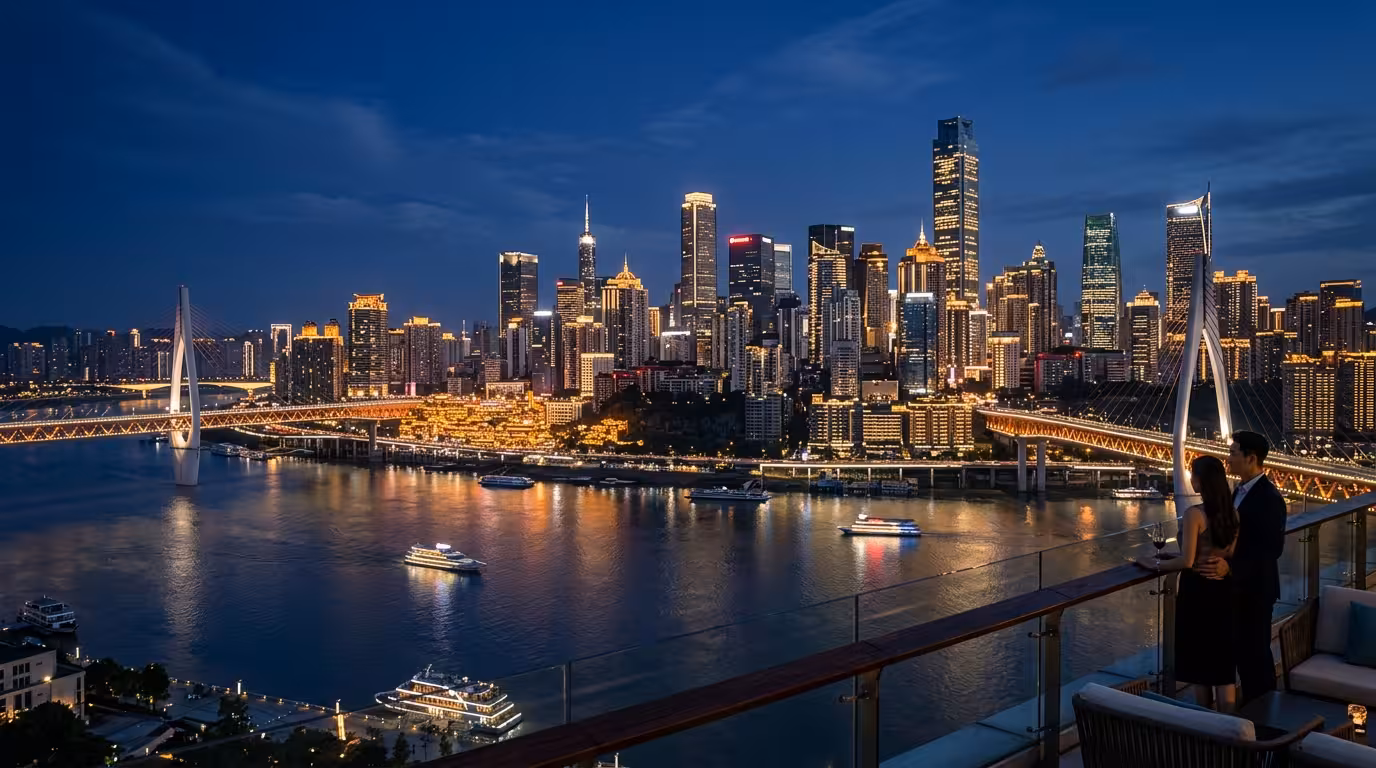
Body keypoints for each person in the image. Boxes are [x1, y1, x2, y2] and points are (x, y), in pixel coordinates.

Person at [1137, 455, 1240, 711]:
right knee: (1222, 663)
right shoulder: (1234, 513)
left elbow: (1187, 561)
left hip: (1198, 593)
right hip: (1223, 590)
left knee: (1200, 665)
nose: (1190, 479)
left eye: (1193, 474)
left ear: (1201, 481)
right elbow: (1226, 555)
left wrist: (1155, 564)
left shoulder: (1194, 514)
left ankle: (1204, 723)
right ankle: (1230, 729)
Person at [1196, 430, 1289, 704]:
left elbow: (1272, 549)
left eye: (1233, 453)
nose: (1228, 459)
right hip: (1235, 591)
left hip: (1255, 591)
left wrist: (1231, 567)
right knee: (1239, 654)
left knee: (1255, 657)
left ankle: (1264, 720)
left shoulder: (1270, 498)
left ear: (1251, 458)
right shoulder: (1239, 490)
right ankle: (1248, 718)